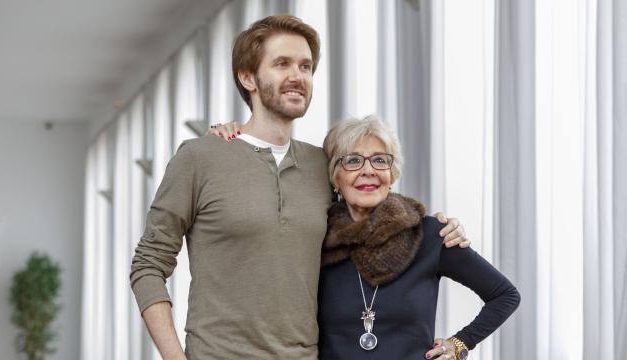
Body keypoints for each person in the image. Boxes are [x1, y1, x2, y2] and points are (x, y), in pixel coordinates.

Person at [130, 15, 468, 360]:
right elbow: (148, 264)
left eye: (306, 67)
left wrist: (440, 227)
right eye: (282, 64)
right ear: (248, 77)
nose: (297, 77)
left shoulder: (321, 165)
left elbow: (374, 211)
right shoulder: (200, 158)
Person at [316, 116, 521, 360]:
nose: (368, 170)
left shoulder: (431, 235)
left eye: (380, 160)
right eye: (353, 161)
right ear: (335, 178)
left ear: (391, 175)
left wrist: (459, 345)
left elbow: (505, 295)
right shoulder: (316, 241)